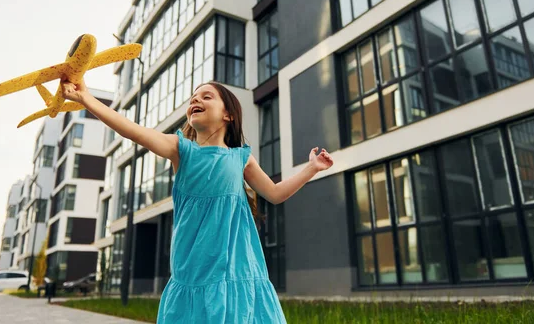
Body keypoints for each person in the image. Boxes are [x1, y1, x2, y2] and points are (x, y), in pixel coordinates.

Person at [61, 78, 334, 323]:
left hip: (238, 271)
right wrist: (85, 98)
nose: (196, 100)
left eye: (206, 96)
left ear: (228, 114)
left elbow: (275, 193)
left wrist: (311, 168)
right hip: (192, 272)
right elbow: (132, 130)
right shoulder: (181, 150)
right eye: (194, 97)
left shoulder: (241, 158)